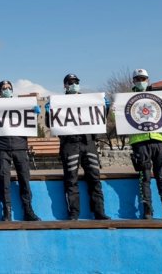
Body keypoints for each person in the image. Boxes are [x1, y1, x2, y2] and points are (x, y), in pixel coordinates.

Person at [55, 74, 109, 220]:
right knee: (71, 179)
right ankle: (73, 212)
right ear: (65, 85)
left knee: (94, 178)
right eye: (71, 82)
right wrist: (49, 113)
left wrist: (105, 108)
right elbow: (51, 124)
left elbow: (100, 119)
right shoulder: (58, 102)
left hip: (88, 143)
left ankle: (99, 211)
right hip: (69, 144)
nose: (74, 85)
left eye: (76, 82)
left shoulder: (89, 101)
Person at [128, 69, 162, 220]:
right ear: (133, 81)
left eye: (143, 78)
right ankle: (147, 210)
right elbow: (119, 117)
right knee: (144, 177)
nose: (140, 81)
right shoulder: (127, 99)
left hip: (159, 140)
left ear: (148, 80)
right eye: (137, 79)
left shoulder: (159, 97)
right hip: (139, 142)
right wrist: (113, 110)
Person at [0, 81, 41, 221]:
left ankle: (28, 210)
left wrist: (34, 114)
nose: (7, 90)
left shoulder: (21, 104)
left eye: (9, 88)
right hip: (2, 148)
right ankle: (6, 211)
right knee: (4, 179)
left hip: (20, 146)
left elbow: (27, 122)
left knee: (24, 179)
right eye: (3, 88)